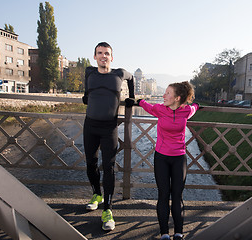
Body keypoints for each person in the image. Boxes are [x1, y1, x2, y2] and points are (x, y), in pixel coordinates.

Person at [82, 42, 135, 231]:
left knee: (109, 168)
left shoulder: (119, 74)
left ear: (111, 57)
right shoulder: (89, 72)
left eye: (107, 53)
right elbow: (87, 92)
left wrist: (133, 98)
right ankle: (97, 194)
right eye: (100, 53)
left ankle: (108, 210)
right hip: (90, 126)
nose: (103, 56)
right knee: (90, 164)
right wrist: (86, 95)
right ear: (95, 56)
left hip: (109, 128)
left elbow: (132, 78)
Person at [137, 81, 199, 240]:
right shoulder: (159, 109)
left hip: (179, 158)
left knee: (177, 196)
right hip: (162, 158)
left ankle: (178, 233)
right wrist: (138, 101)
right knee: (163, 195)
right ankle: (164, 234)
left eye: (167, 93)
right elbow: (147, 106)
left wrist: (198, 105)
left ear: (177, 98)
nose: (163, 96)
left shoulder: (186, 111)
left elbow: (194, 108)